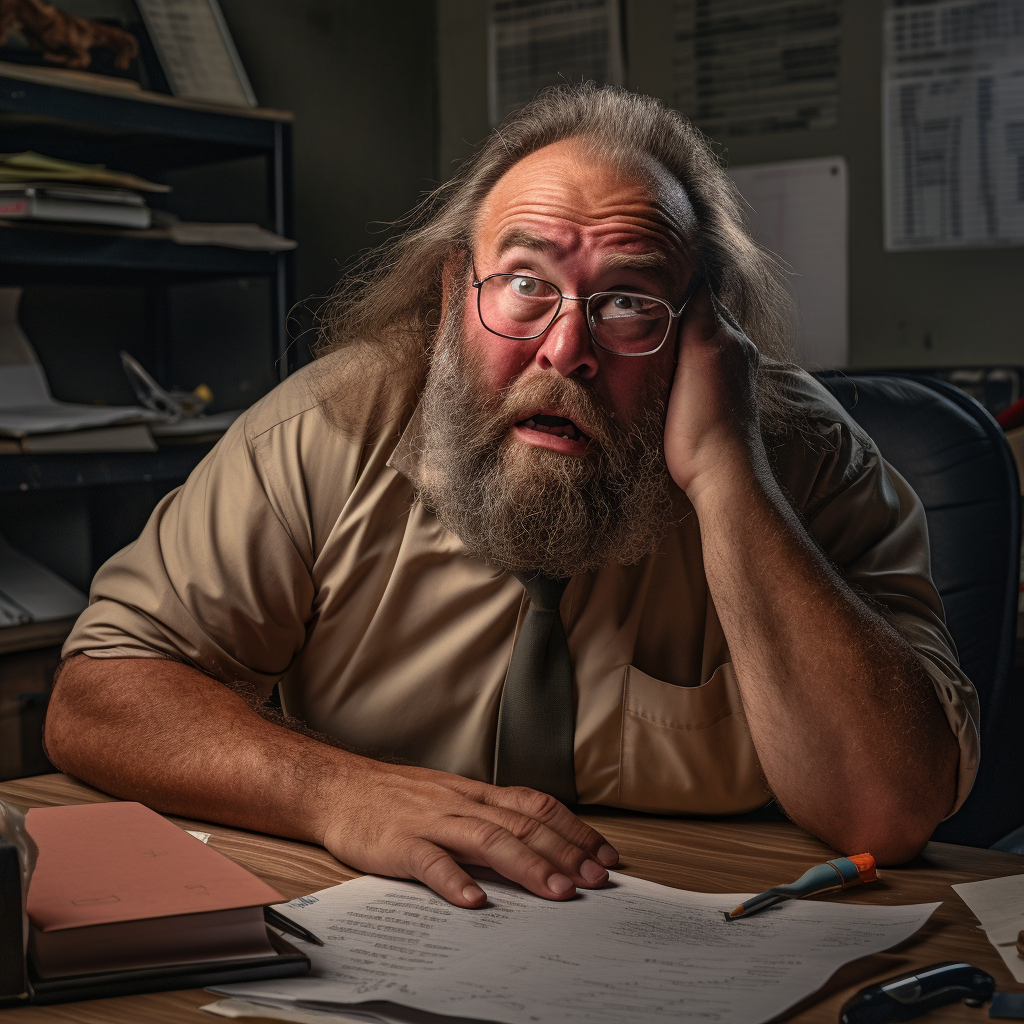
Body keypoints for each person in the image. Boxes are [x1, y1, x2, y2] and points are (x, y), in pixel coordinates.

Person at [45, 85, 978, 910]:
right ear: (459, 291)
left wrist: (730, 479)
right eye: (527, 283)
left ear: (706, 329)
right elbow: (98, 693)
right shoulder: (326, 430)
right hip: (387, 933)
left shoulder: (808, 462)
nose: (565, 349)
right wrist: (335, 790)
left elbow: (885, 811)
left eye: (626, 301)